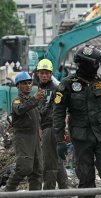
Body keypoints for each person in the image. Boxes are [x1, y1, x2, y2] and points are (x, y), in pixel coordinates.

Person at [53, 45, 101, 198]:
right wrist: (60, 141)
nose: (97, 67)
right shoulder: (67, 85)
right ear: (83, 63)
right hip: (81, 138)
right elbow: (58, 114)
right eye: (94, 63)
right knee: (85, 176)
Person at [5, 72, 44, 191]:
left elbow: (37, 119)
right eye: (23, 84)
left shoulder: (32, 102)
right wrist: (35, 99)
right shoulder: (17, 101)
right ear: (18, 86)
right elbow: (20, 110)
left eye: (29, 83)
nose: (27, 85)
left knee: (37, 170)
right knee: (24, 168)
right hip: (23, 138)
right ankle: (7, 191)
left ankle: (35, 195)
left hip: (35, 138)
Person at [37, 59, 69, 190]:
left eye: (47, 73)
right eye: (42, 73)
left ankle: (48, 192)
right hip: (49, 128)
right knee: (58, 161)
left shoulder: (54, 89)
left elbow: (54, 110)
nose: (44, 75)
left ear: (51, 74)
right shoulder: (42, 88)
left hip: (50, 128)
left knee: (49, 163)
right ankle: (64, 190)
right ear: (38, 73)